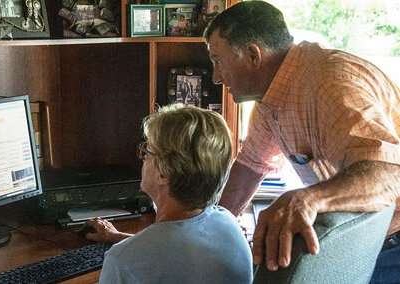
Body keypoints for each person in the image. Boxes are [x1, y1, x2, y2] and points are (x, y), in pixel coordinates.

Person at [203, 0, 400, 281]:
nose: (215, 77)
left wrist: (308, 199)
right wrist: (213, 227)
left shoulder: (329, 83)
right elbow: (250, 167)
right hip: (365, 237)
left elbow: (390, 173)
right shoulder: (271, 99)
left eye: (218, 61)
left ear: (252, 55)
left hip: (392, 242)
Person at [83, 104, 253, 283]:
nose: (142, 158)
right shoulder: (229, 224)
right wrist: (116, 237)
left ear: (164, 173)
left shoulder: (122, 262)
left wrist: (127, 248)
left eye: (146, 151)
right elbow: (179, 254)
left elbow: (159, 258)